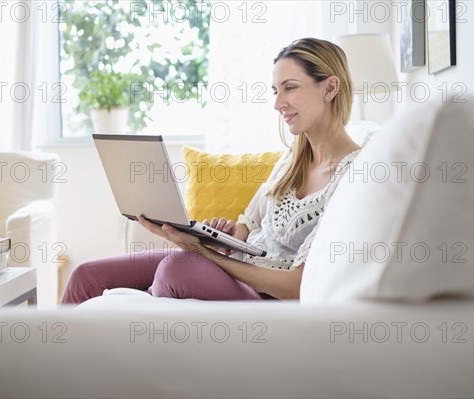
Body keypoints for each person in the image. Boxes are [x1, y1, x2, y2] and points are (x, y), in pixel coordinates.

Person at [60, 37, 361, 304]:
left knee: (176, 268)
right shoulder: (292, 159)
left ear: (330, 87)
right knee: (86, 276)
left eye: (290, 88)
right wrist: (221, 237)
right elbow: (247, 225)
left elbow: (298, 285)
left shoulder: (353, 176)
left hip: (264, 294)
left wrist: (204, 253)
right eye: (275, 91)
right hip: (236, 263)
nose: (278, 104)